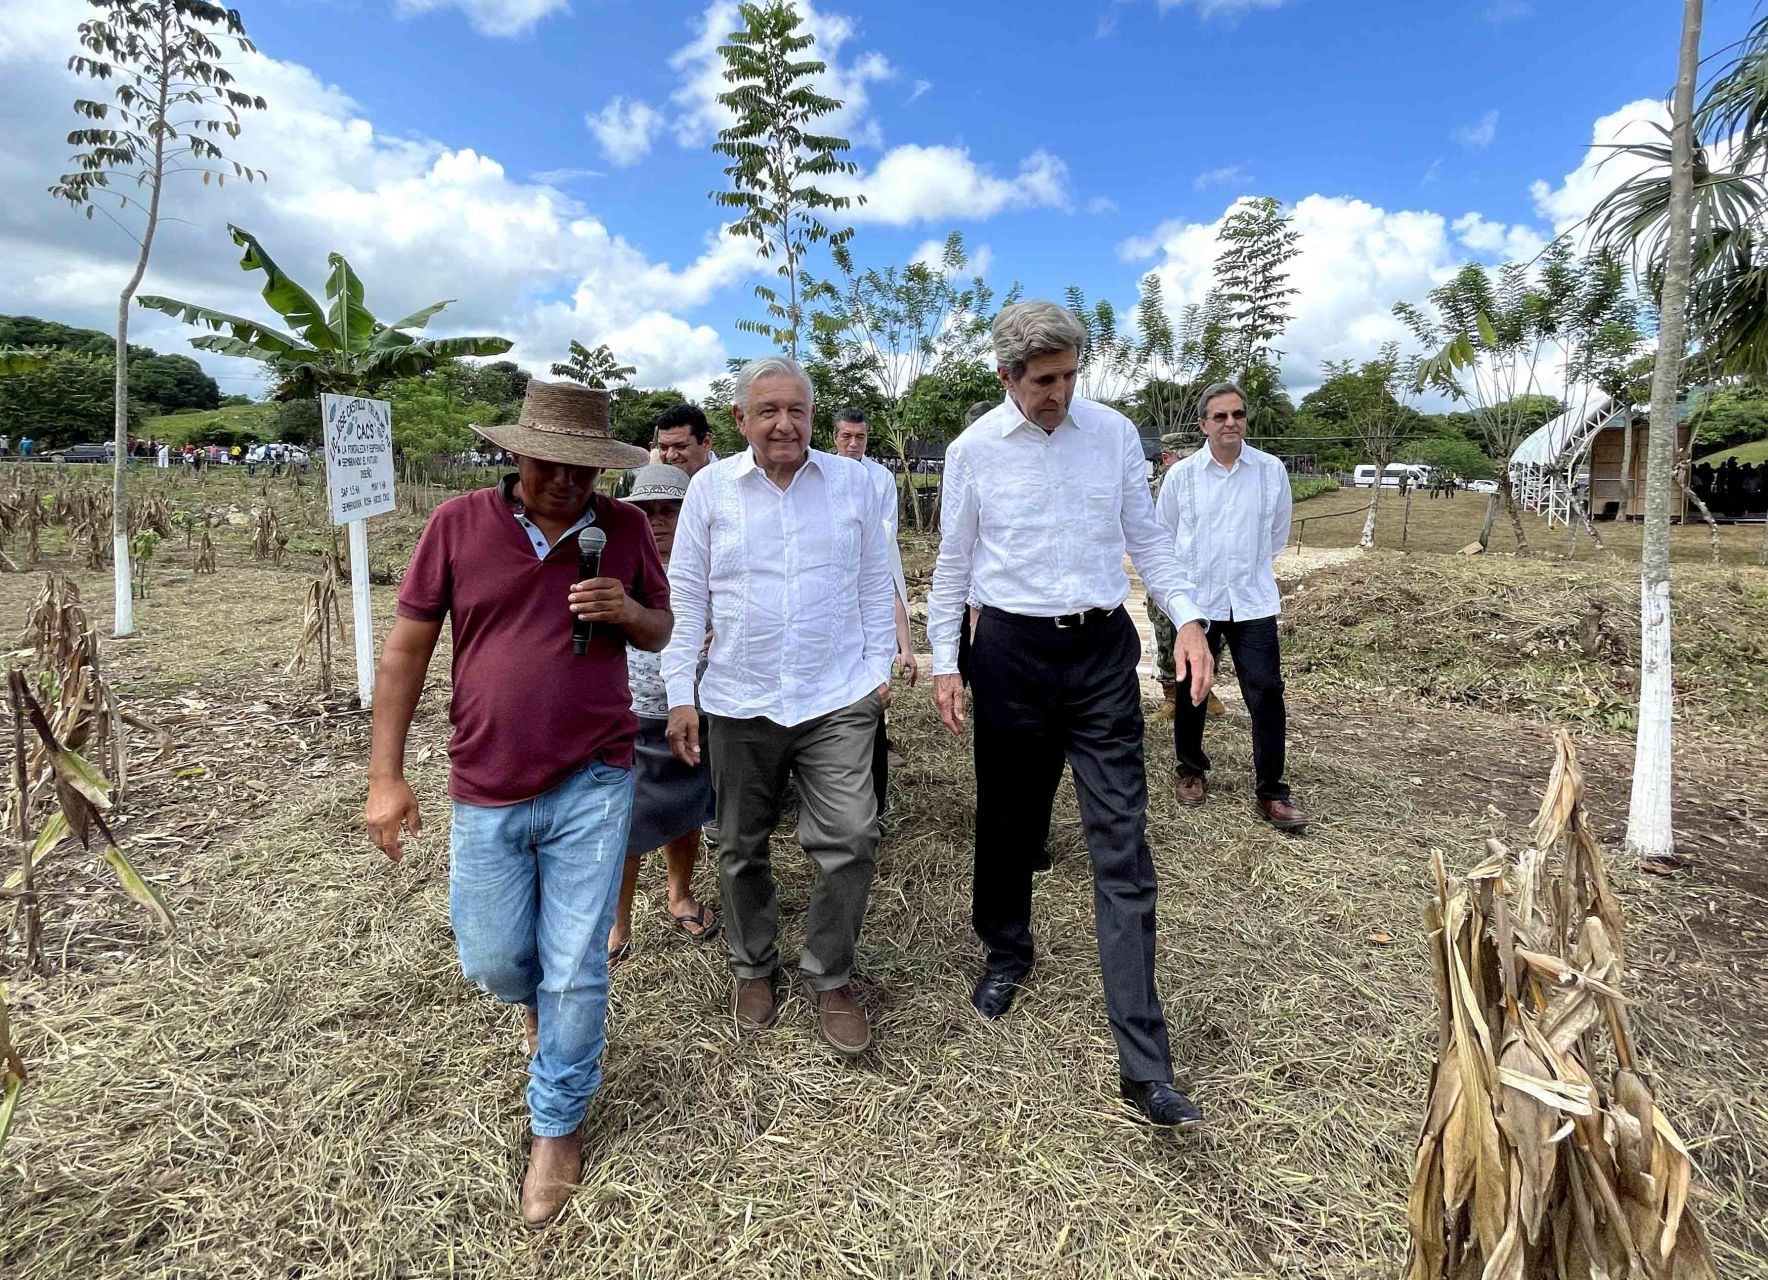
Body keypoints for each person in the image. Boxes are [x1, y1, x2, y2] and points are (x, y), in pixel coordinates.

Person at [363, 380, 667, 1225]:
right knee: (497, 960)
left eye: (584, 470)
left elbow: (662, 626)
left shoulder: (624, 530)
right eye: (550, 465)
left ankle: (557, 1123)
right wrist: (386, 776)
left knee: (577, 963)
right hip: (486, 780)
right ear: (515, 454)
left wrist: (626, 609)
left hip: (595, 775)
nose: (567, 483)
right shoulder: (457, 524)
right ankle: (538, 1013)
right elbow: (406, 651)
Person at [928, 300, 1214, 1130]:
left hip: (1098, 655)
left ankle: (1145, 1064)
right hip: (1010, 654)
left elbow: (1148, 540)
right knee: (1008, 820)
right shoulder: (972, 450)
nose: (1059, 393)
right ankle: (1005, 948)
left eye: (1069, 376)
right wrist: (946, 662)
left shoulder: (1114, 435)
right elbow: (953, 563)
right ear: (1006, 376)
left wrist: (1187, 618)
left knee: (1121, 838)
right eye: (1044, 380)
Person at [661, 356, 895, 1057]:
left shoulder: (854, 483)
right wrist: (681, 694)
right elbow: (687, 596)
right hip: (740, 696)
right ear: (741, 419)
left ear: (813, 416)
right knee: (740, 845)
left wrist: (875, 671)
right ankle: (753, 965)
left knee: (852, 837)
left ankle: (831, 974)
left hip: (836, 694)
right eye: (768, 411)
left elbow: (874, 581)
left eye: (796, 410)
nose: (784, 424)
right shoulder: (710, 490)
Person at [1156, 381, 1306, 833]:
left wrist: (1245, 570)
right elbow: (1164, 537)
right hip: (1197, 603)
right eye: (1220, 416)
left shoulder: (1270, 471)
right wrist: (1181, 599)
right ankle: (1190, 770)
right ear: (1203, 424)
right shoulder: (1182, 477)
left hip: (1252, 600)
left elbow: (1277, 535)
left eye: (1237, 414)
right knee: (1192, 688)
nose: (1230, 423)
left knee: (1266, 691)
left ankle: (1272, 791)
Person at [608, 464, 719, 964]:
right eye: (647, 510)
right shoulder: (619, 565)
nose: (657, 520)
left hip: (694, 708)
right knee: (626, 819)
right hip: (630, 710)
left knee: (685, 807)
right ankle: (618, 919)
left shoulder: (709, 564)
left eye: (669, 510)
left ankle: (679, 894)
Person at [831, 407, 915, 816]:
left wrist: (904, 644)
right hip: (831, 596)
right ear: (833, 438)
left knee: (868, 706)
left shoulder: (880, 479)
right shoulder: (821, 474)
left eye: (860, 437)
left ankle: (873, 807)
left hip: (867, 591)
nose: (853, 444)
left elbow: (884, 547)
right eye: (846, 436)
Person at [653, 403, 718, 477]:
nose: (669, 456)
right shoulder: (655, 479)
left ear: (706, 442)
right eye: (663, 447)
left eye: (680, 446)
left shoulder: (726, 481)